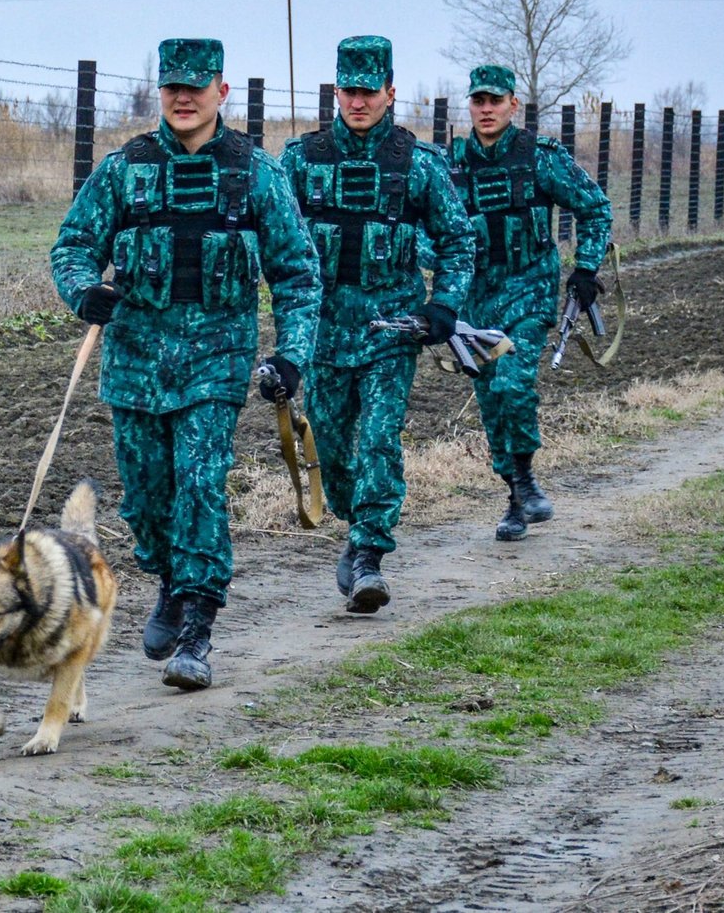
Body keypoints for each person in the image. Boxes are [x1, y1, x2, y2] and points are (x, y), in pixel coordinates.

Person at [51, 38, 321, 690]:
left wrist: (292, 354)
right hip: (136, 365)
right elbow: (72, 246)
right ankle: (171, 578)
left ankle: (197, 624)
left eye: (195, 87)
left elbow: (298, 272)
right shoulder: (125, 171)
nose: (182, 96)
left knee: (199, 484)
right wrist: (84, 288)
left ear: (220, 93)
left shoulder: (255, 174)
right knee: (146, 503)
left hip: (214, 364)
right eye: (172, 85)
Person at [281, 36, 475, 614]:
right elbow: (271, 240)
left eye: (369, 92)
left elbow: (459, 240)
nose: (358, 102)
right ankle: (351, 518)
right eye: (348, 91)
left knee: (378, 439)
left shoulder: (419, 164)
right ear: (336, 91)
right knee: (336, 451)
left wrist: (446, 305)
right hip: (323, 332)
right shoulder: (300, 160)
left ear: (391, 93)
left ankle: (369, 552)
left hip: (393, 327)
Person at [447, 64, 613, 541]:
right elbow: (425, 226)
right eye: (478, 101)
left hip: (529, 290)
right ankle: (515, 498)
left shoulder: (539, 158)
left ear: (512, 105)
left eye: (495, 101)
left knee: (512, 386)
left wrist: (585, 268)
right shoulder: (451, 164)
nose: (486, 109)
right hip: (474, 300)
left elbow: (594, 207)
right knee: (490, 401)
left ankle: (524, 478)